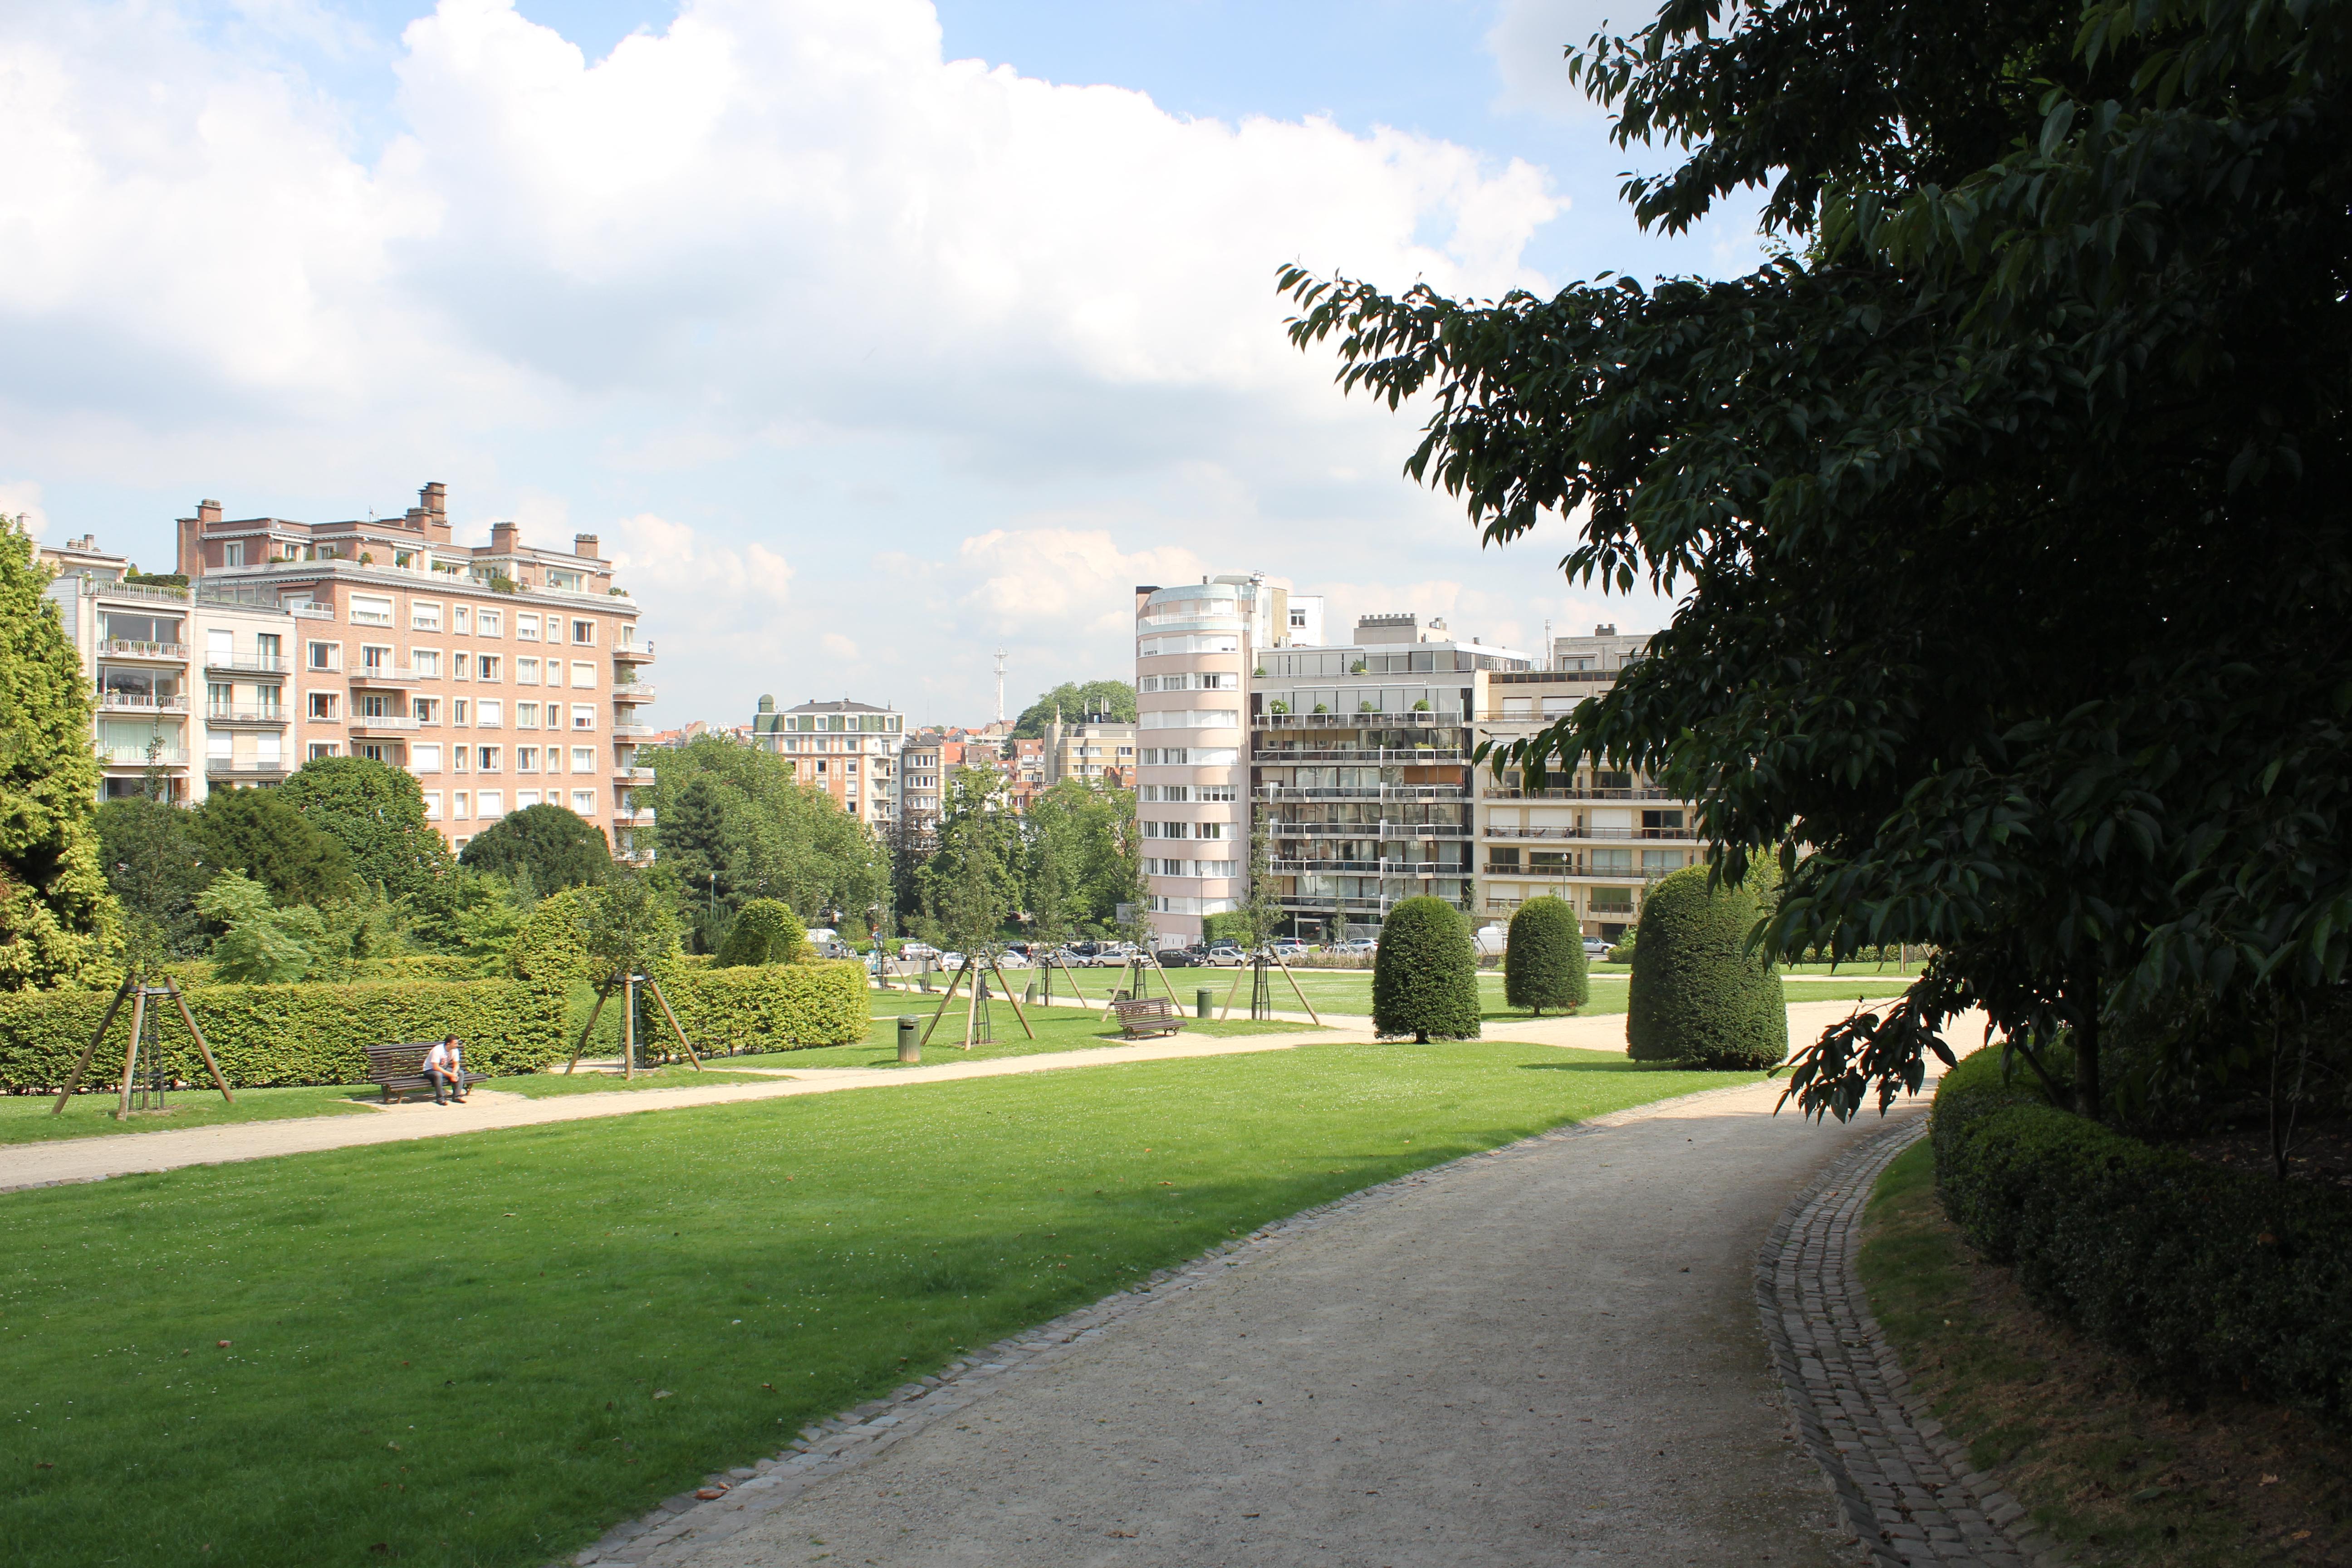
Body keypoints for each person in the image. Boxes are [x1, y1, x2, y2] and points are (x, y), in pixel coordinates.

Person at [421, 1035, 467, 1105]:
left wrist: (454, 1073)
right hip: (430, 1070)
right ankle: (440, 1099)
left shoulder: (455, 1050)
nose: (457, 1045)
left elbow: (457, 1064)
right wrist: (451, 1075)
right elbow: (436, 1067)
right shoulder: (438, 1050)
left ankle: (457, 1097)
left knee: (460, 1073)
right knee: (438, 1075)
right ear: (448, 1044)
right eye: (455, 1044)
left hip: (444, 1068)